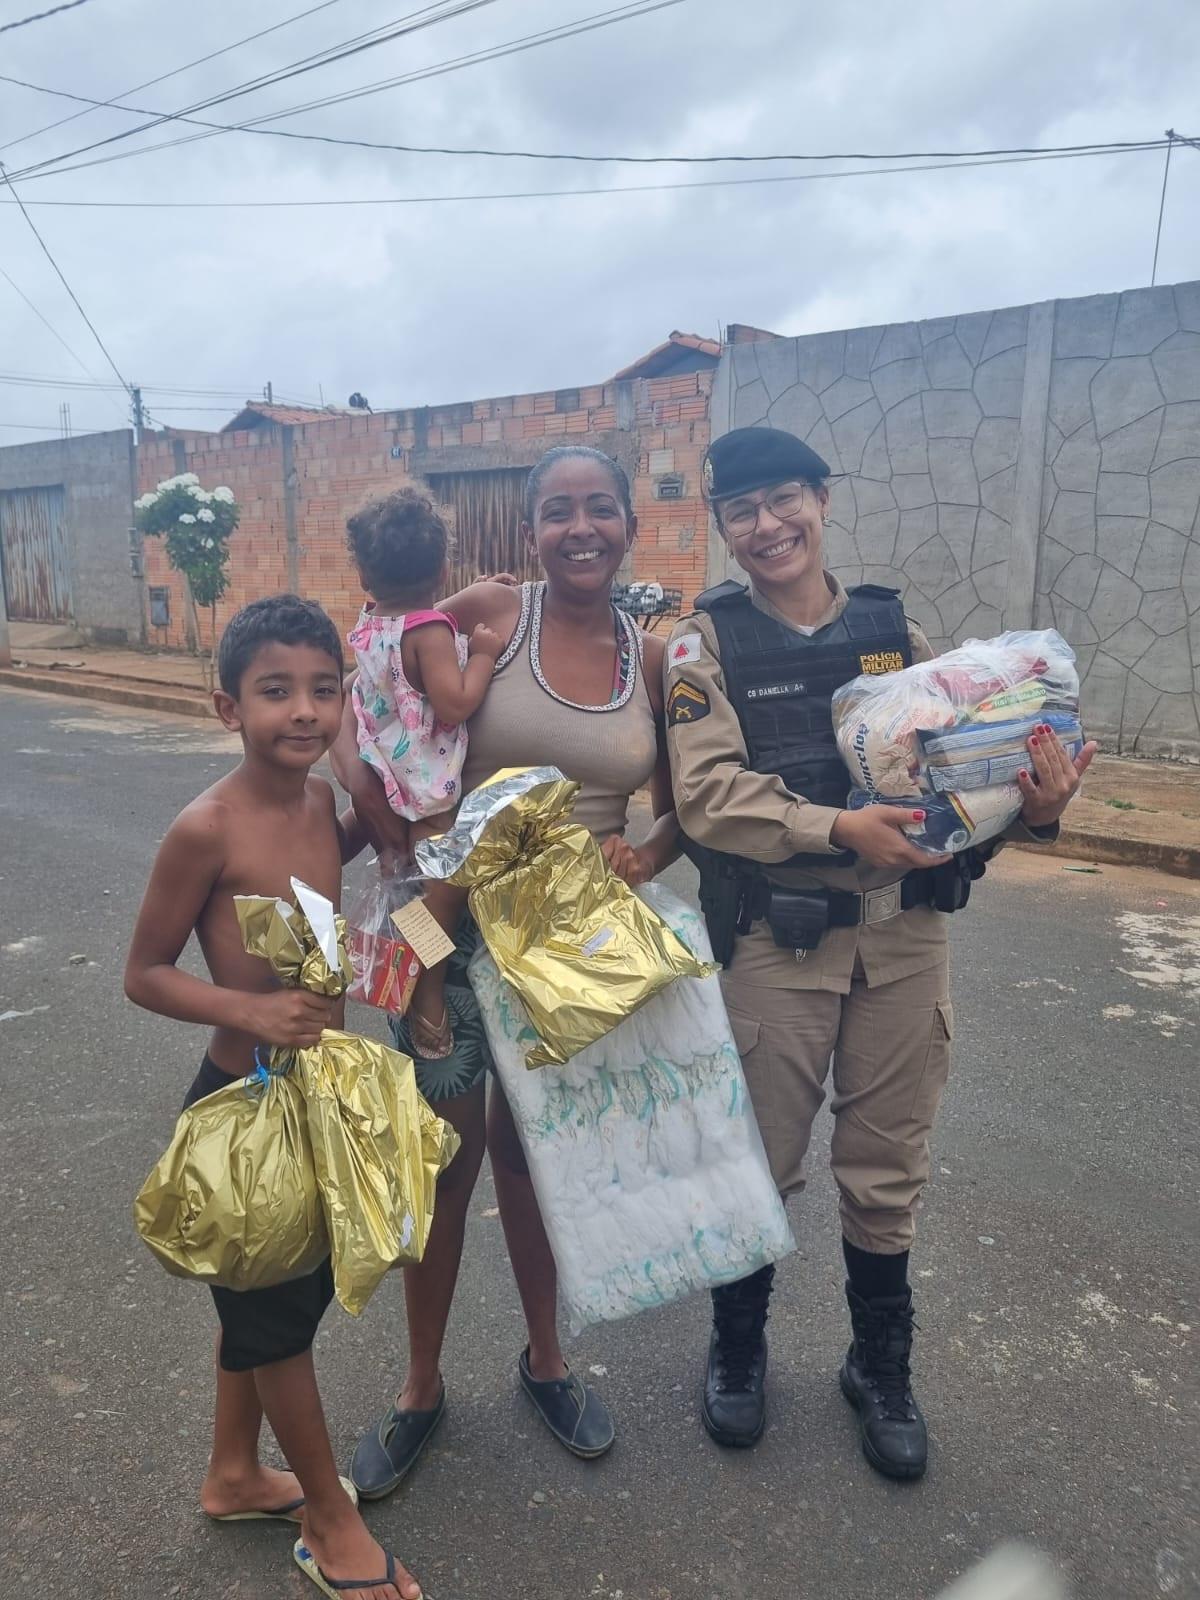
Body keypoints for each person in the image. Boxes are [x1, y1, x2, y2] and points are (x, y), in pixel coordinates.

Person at [664, 426, 1095, 1479]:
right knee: (759, 1161)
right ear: (721, 523)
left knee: (887, 1165)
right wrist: (834, 828)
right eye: (741, 509)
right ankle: (737, 1350)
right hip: (781, 942)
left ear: (821, 497)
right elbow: (707, 795)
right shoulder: (702, 643)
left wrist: (1034, 810)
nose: (766, 526)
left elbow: (961, 763)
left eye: (783, 500)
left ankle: (880, 1364)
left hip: (906, 942)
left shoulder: (892, 628)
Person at [332, 446, 679, 1499]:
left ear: (628, 524)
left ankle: (547, 1361)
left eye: (601, 508)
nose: (583, 528)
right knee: (444, 1155)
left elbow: (681, 803)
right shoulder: (486, 612)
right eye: (559, 511)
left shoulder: (652, 657)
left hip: (569, 953)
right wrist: (368, 834)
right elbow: (373, 708)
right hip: (445, 924)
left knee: (535, 1159)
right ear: (530, 531)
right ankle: (419, 1387)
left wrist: (645, 855)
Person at [124, 594, 422, 1600]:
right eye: (276, 691)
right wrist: (248, 1016)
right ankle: (330, 1522)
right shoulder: (205, 827)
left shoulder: (311, 813)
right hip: (241, 1111)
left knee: (268, 1304)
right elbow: (144, 972)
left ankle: (236, 1473)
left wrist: (373, 808)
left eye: (323, 690)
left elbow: (341, 903)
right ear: (226, 706)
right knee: (276, 1321)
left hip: (318, 1104)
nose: (304, 710)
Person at [345, 489, 504, 1058]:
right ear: (441, 568)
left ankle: (402, 979)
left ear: (364, 573)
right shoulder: (429, 631)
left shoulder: (368, 628)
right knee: (440, 893)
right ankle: (428, 994)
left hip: (384, 770)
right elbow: (456, 702)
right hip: (425, 781)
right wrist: (482, 653)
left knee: (404, 888)